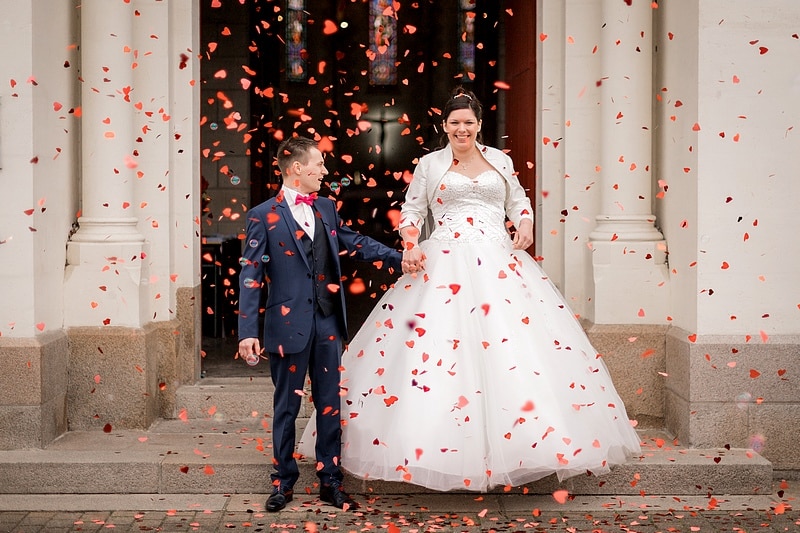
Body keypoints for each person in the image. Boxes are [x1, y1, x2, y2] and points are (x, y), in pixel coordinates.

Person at [301, 87, 642, 492]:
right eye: (454, 123)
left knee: (513, 349)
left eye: (468, 123)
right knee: (439, 352)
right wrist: (410, 242)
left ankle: (526, 444)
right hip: (444, 259)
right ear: (444, 126)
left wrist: (526, 224)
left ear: (479, 125)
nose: (461, 129)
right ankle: (433, 446)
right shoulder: (430, 164)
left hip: (500, 261)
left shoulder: (500, 160)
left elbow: (518, 201)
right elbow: (413, 210)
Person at [238, 135, 402, 511]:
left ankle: (331, 481)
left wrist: (397, 257)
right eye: (319, 164)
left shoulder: (326, 207)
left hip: (328, 323)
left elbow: (352, 241)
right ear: (297, 169)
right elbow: (249, 277)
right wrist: (247, 332)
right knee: (286, 408)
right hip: (287, 326)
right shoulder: (262, 216)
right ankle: (282, 482)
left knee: (330, 404)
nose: (325, 171)